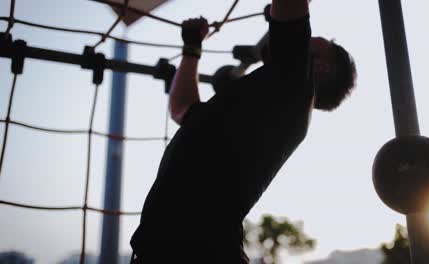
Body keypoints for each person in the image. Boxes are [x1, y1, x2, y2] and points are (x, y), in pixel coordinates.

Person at [130, 0, 356, 263]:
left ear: (323, 67)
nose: (313, 36)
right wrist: (192, 47)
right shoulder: (266, 102)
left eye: (322, 41)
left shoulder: (293, 85)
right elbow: (183, 109)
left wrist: (280, 13)